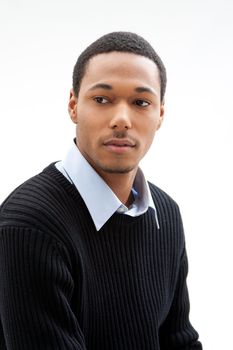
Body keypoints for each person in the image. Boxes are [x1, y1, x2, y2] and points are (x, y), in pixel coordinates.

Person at [0, 31, 202, 349]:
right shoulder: (29, 225)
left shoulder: (165, 213)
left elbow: (179, 340)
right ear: (73, 105)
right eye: (102, 99)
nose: (121, 119)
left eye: (140, 102)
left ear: (160, 114)